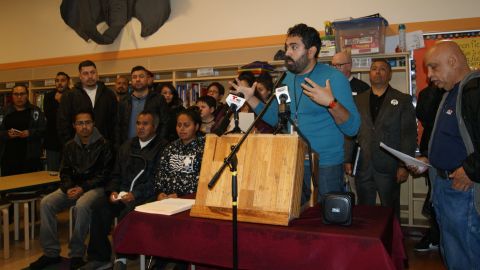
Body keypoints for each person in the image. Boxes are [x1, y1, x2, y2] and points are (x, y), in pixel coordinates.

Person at [231, 23, 360, 203]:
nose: (287, 53)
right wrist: (252, 99)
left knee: (325, 225)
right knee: (296, 222)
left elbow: (353, 128)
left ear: (311, 51)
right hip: (292, 162)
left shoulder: (334, 78)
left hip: (326, 166)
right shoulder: (285, 79)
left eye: (294, 47)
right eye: (286, 47)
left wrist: (331, 103)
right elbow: (276, 117)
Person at [409, 41, 480, 269]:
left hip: (462, 191)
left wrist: (470, 169)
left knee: (464, 251)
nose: (429, 76)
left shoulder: (474, 90)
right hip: (442, 186)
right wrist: (430, 159)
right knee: (451, 249)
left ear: (453, 61)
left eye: (434, 67)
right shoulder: (450, 92)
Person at [30, 110, 114, 270]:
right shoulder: (69, 145)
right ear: (74, 126)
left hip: (95, 188)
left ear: (93, 124)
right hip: (72, 187)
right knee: (46, 203)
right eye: (80, 123)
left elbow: (104, 175)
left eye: (88, 122)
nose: (84, 127)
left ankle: (76, 254)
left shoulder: (105, 145)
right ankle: (51, 253)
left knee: (81, 205)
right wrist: (69, 187)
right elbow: (65, 171)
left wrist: (82, 188)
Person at [82, 111, 167, 270]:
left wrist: (135, 194)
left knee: (128, 212)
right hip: (122, 194)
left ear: (155, 127)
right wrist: (113, 191)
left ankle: (122, 258)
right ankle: (100, 257)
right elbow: (115, 174)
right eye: (138, 123)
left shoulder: (163, 147)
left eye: (145, 124)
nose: (140, 127)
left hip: (146, 196)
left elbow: (158, 180)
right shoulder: (127, 146)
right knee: (99, 207)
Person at [344, 59, 417, 218]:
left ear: (389, 75)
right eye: (374, 69)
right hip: (363, 164)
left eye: (382, 69)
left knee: (390, 211)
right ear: (369, 74)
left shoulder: (402, 100)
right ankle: (367, 241)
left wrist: (404, 165)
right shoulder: (358, 100)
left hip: (390, 166)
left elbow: (408, 135)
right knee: (363, 212)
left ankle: (393, 241)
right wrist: (348, 159)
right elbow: (350, 130)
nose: (377, 72)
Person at [153, 108, 205, 270]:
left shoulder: (204, 148)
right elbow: (161, 172)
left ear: (196, 126)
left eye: (186, 125)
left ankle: (182, 261)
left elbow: (202, 179)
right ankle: (160, 257)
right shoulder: (171, 148)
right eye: (179, 125)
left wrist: (180, 194)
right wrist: (160, 192)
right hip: (167, 198)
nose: (182, 129)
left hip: (190, 199)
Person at [57, 60, 118, 145]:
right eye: (85, 73)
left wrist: (113, 145)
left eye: (92, 72)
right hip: (77, 148)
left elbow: (115, 122)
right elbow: (63, 123)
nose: (90, 76)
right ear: (80, 76)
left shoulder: (108, 94)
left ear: (97, 74)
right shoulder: (69, 96)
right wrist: (70, 145)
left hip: (104, 147)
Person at [413, 83, 443, 251]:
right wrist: (434, 90)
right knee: (433, 194)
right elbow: (423, 116)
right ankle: (435, 235)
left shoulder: (459, 89)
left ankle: (441, 236)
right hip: (430, 147)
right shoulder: (427, 93)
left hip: (454, 153)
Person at [116, 66, 170, 146]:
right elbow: (118, 126)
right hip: (128, 147)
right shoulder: (124, 101)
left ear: (147, 79)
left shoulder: (158, 99)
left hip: (152, 147)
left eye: (141, 76)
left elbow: (165, 124)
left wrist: (158, 145)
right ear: (131, 81)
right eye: (134, 77)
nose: (137, 79)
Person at [0, 85, 46, 176]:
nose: (19, 97)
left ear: (27, 95)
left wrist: (30, 133)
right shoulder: (4, 111)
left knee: (29, 185)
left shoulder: (35, 111)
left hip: (30, 156)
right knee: (10, 186)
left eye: (22, 94)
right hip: (8, 156)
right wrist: (6, 134)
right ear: (12, 96)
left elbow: (43, 130)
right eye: (16, 94)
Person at [44, 72, 70, 171]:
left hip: (69, 139)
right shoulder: (49, 96)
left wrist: (61, 102)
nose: (59, 83)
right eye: (57, 80)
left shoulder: (73, 95)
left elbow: (71, 117)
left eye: (62, 80)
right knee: (52, 171)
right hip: (52, 139)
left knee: (67, 171)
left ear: (68, 82)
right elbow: (50, 116)